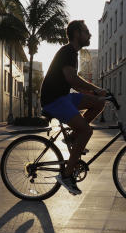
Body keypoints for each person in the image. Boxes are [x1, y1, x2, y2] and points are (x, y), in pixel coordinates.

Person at [40, 19, 106, 196]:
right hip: (54, 100)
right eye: (86, 31)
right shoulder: (68, 51)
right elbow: (72, 80)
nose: (89, 34)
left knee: (99, 103)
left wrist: (95, 94)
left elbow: (74, 84)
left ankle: (72, 138)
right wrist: (95, 88)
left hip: (64, 97)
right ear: (77, 33)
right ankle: (67, 176)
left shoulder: (72, 53)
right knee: (87, 131)